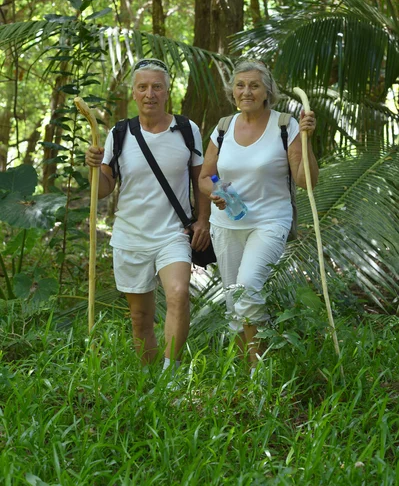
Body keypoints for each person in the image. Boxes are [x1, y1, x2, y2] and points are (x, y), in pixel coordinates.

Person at [85, 59, 210, 378]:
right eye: (143, 87)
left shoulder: (187, 130)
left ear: (168, 91)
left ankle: (171, 379)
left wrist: (203, 221)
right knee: (140, 319)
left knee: (179, 294)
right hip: (131, 236)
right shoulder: (119, 133)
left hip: (173, 234)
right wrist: (93, 168)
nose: (149, 93)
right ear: (134, 92)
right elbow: (104, 189)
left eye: (157, 86)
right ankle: (149, 380)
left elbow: (202, 179)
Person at [198, 59, 319, 376]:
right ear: (232, 91)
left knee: (248, 288)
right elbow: (205, 176)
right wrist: (217, 192)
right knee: (234, 303)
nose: (246, 91)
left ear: (268, 91)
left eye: (254, 85)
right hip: (226, 224)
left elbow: (306, 180)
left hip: (269, 221)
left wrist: (308, 140)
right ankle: (243, 374)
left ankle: (259, 375)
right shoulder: (223, 127)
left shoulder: (285, 125)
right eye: (240, 85)